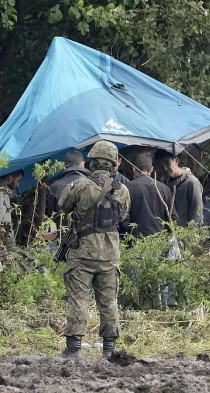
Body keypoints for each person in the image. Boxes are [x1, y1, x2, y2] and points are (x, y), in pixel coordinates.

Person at [58, 140, 131, 359]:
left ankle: (74, 349)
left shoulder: (81, 185)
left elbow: (63, 205)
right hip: (110, 254)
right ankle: (109, 349)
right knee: (109, 302)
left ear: (92, 161)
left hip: (83, 252)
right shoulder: (123, 190)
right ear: (114, 163)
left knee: (78, 299)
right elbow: (123, 217)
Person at [121, 150, 172, 237]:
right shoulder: (164, 188)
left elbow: (124, 218)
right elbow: (171, 218)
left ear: (133, 169)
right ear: (151, 169)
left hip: (134, 240)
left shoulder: (126, 188)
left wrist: (125, 235)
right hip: (159, 240)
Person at [155, 149, 203, 226]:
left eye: (167, 163)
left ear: (176, 160)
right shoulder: (163, 183)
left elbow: (197, 214)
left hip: (185, 232)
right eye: (160, 165)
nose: (165, 168)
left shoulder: (191, 183)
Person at [46, 149, 90, 216]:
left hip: (60, 222)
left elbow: (51, 214)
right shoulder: (91, 184)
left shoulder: (54, 186)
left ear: (64, 165)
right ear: (82, 164)